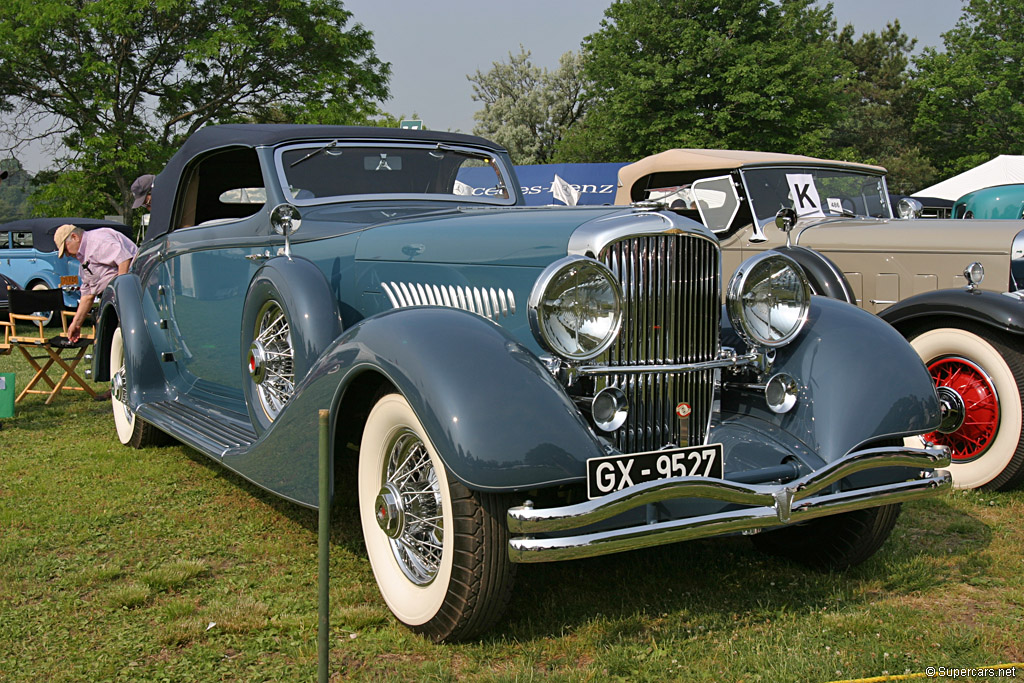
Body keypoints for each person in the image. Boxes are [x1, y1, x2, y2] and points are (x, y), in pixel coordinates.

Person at [54, 223, 137, 343]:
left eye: (66, 249)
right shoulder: (83, 262)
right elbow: (87, 296)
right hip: (114, 300)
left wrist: (121, 297)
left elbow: (124, 259)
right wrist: (76, 324)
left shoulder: (97, 240)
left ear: (74, 237)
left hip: (131, 295)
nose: (67, 254)